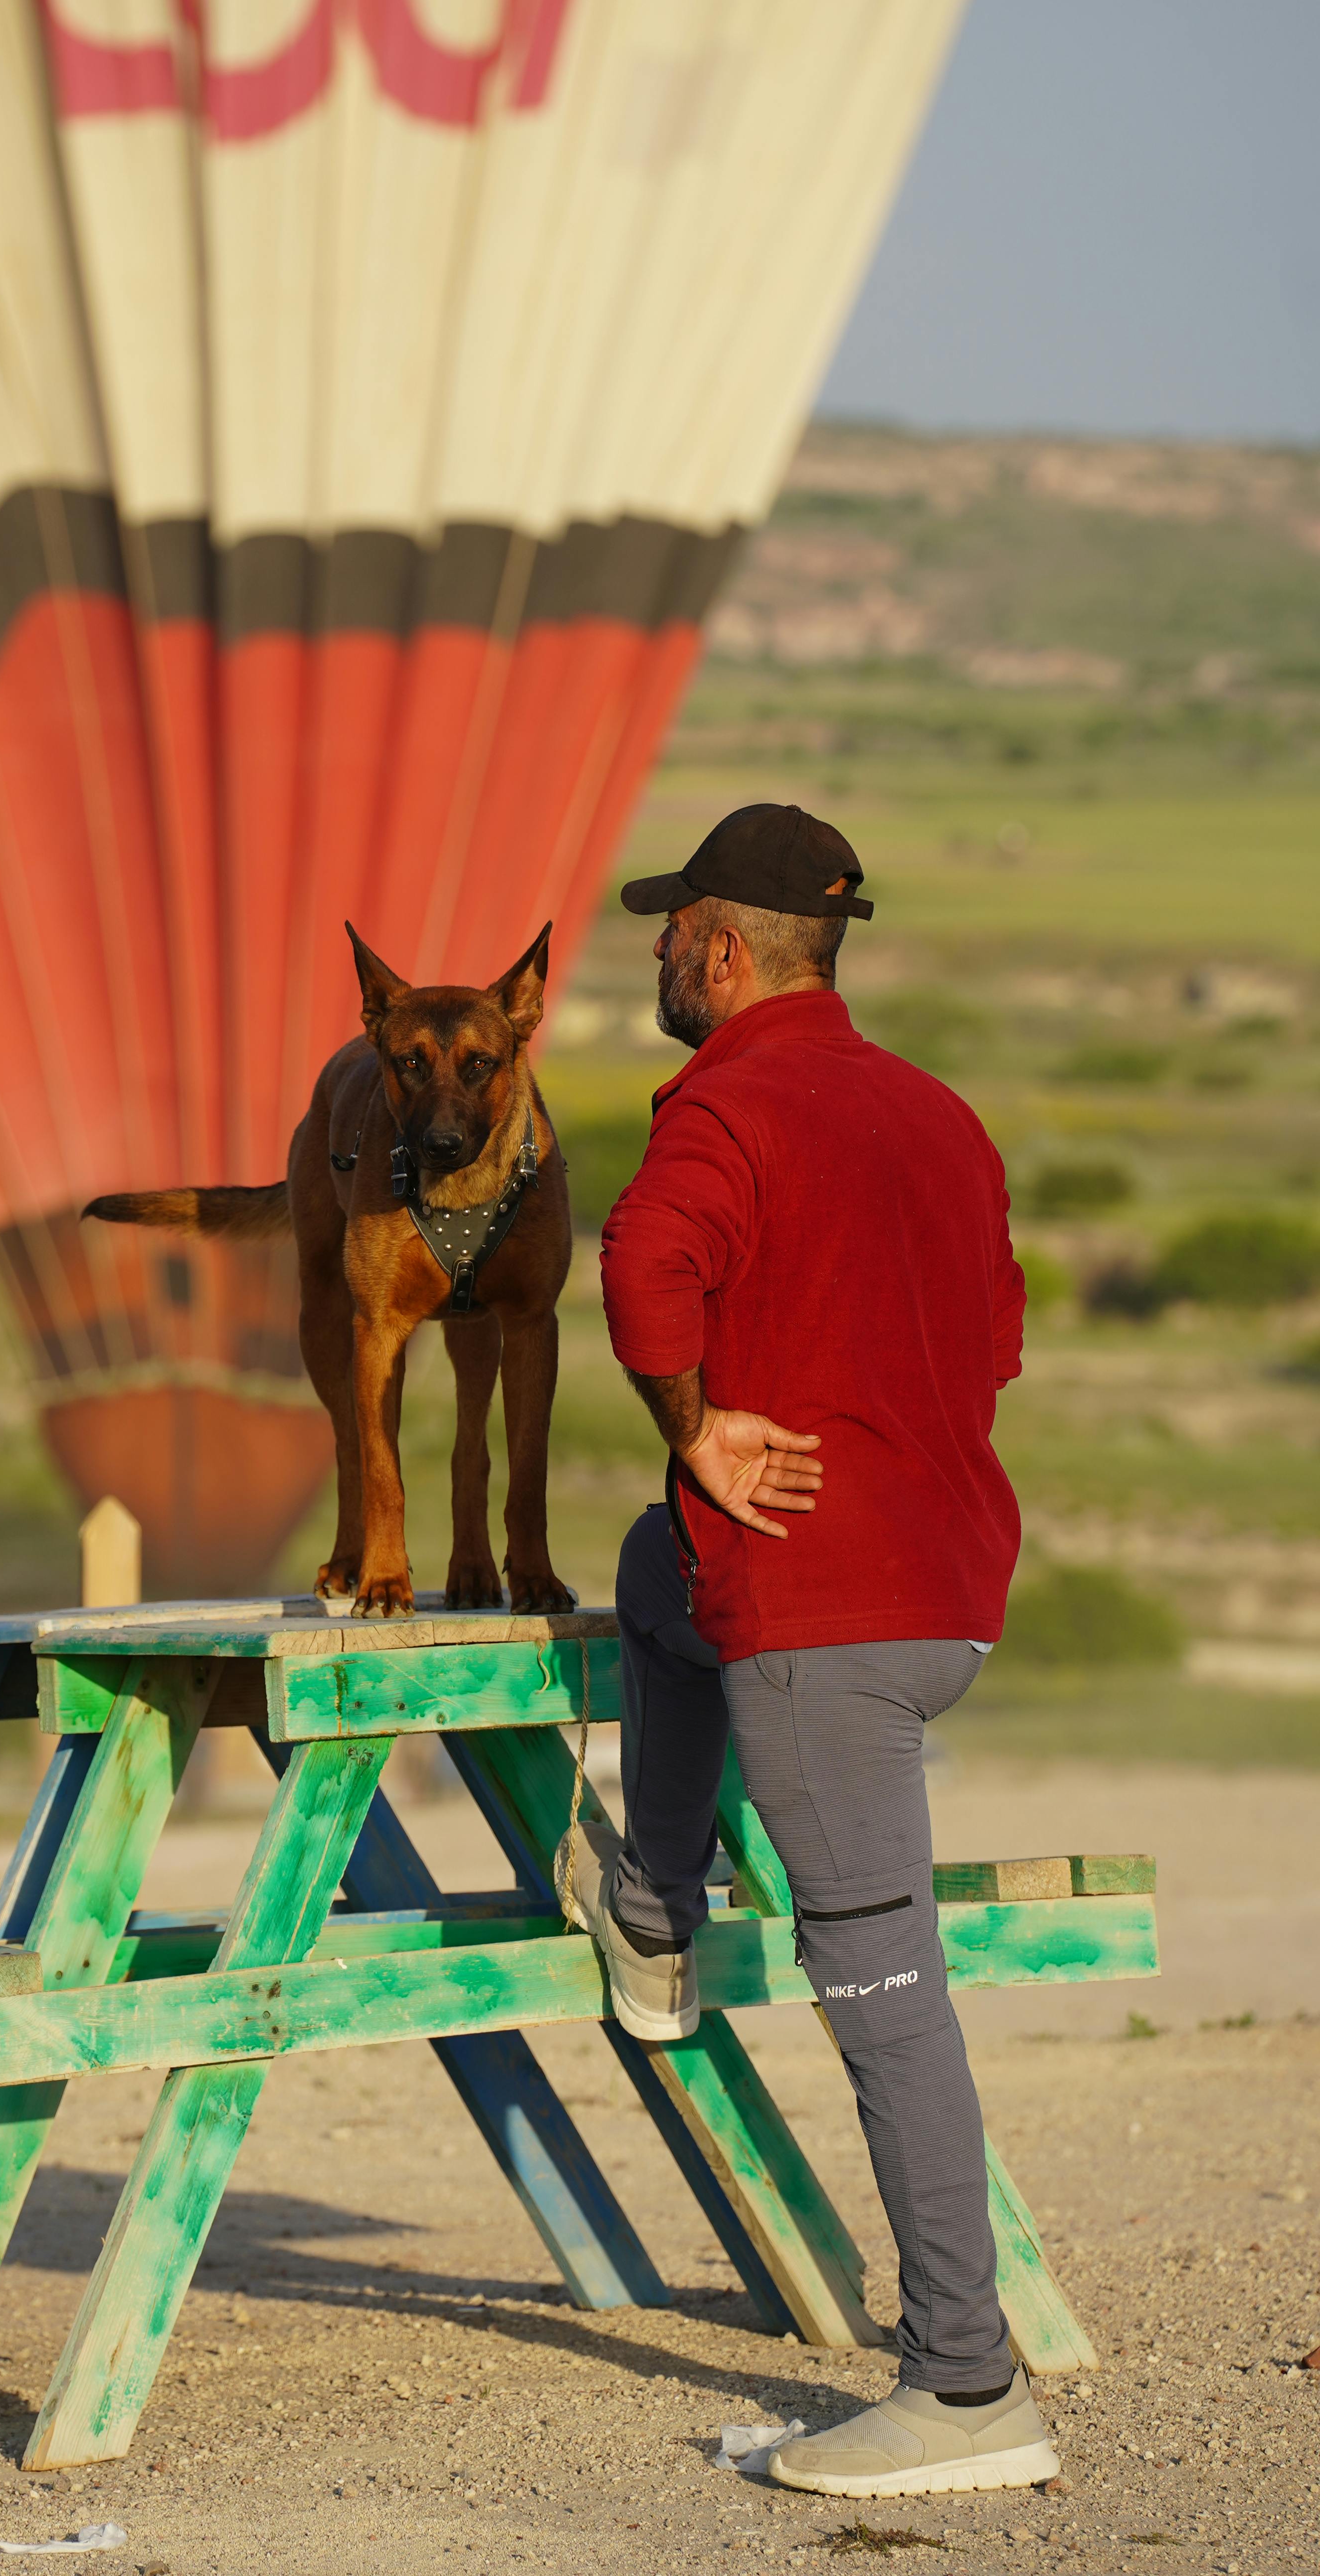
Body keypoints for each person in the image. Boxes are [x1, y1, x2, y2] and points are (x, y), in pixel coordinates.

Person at [559, 801, 1057, 2499]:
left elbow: (642, 1269)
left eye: (664, 935)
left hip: (822, 1635)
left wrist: (698, 1426)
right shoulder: (937, 1113)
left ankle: (969, 2390)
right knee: (655, 1573)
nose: (649, 959)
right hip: (944, 1597)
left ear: (719, 949)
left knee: (889, 2007)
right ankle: (656, 1896)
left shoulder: (727, 1103)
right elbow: (992, 1344)